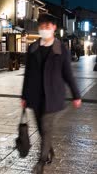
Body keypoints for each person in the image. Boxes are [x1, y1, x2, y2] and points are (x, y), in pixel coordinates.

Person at [21, 14, 82, 174]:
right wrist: (24, 96)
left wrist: (76, 95)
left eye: (47, 27)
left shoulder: (61, 49)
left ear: (54, 28)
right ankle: (50, 150)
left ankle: (41, 161)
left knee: (46, 128)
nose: (44, 30)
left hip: (52, 96)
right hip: (35, 96)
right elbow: (27, 74)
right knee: (41, 129)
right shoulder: (33, 48)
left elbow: (68, 74)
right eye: (41, 27)